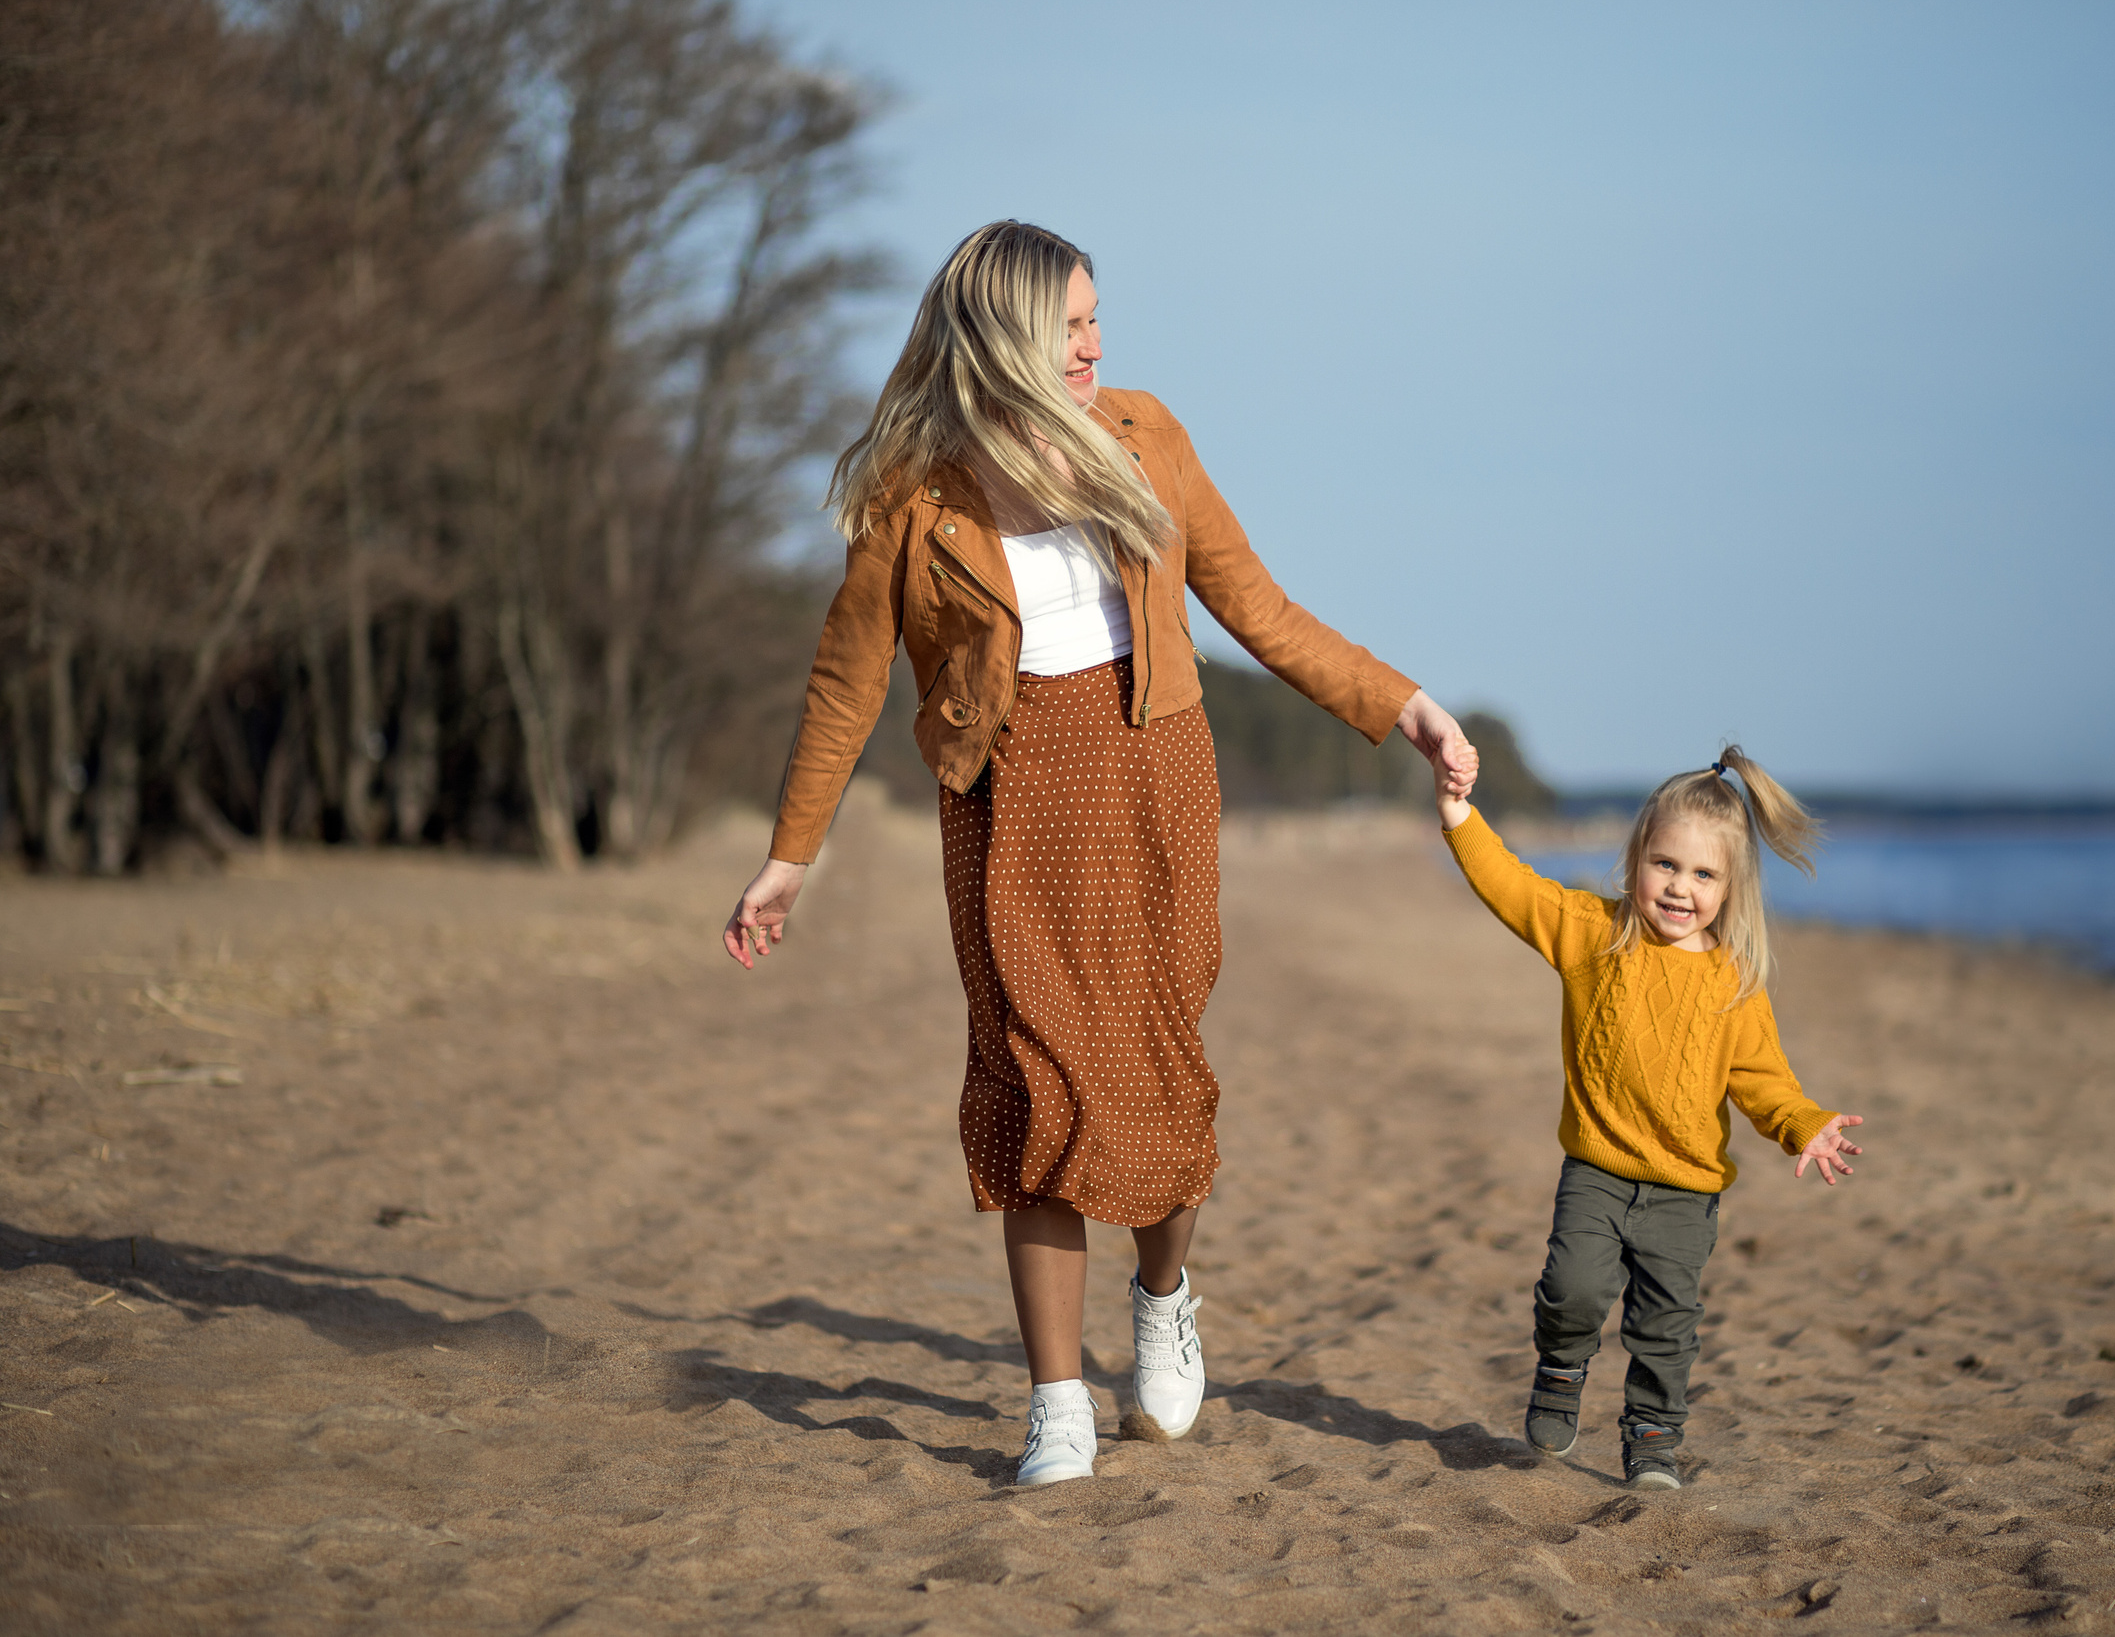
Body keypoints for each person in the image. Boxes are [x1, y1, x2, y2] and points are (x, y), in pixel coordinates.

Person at [722, 221, 1478, 1487]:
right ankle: (1057, 1403)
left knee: (1161, 1080)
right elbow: (845, 681)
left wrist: (1403, 706)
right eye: (1068, 324)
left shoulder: (1144, 436)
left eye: (1093, 318)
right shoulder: (914, 493)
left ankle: (1164, 1298)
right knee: (1033, 1093)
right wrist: (790, 854)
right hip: (1008, 803)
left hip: (1154, 785)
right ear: (1003, 335)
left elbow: (1258, 607)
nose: (1093, 345)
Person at [1435, 744, 1865, 1490]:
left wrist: (1805, 1123)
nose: (1679, 887)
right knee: (1571, 1288)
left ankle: (1653, 1440)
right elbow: (1513, 887)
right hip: (1596, 1170)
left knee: (1665, 1328)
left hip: (1686, 1191)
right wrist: (1457, 814)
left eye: (1703, 875)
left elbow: (1765, 1081)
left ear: (1730, 888)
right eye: (1665, 864)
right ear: (1637, 857)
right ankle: (1561, 1369)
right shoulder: (1592, 933)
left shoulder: (1733, 982)